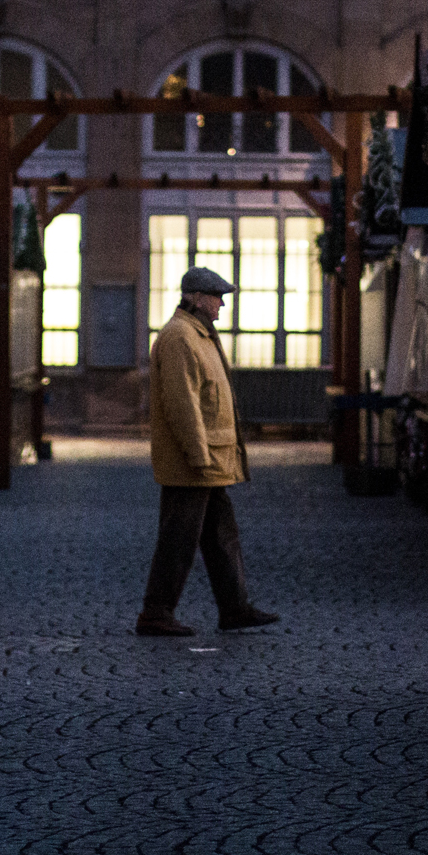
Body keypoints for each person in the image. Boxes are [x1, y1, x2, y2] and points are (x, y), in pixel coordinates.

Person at [136, 265, 281, 637]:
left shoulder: (199, 335)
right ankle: (156, 612)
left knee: (220, 536)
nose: (221, 305)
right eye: (217, 297)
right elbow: (182, 405)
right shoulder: (181, 338)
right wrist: (198, 456)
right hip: (195, 463)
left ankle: (234, 608)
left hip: (210, 461)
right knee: (178, 539)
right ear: (195, 299)